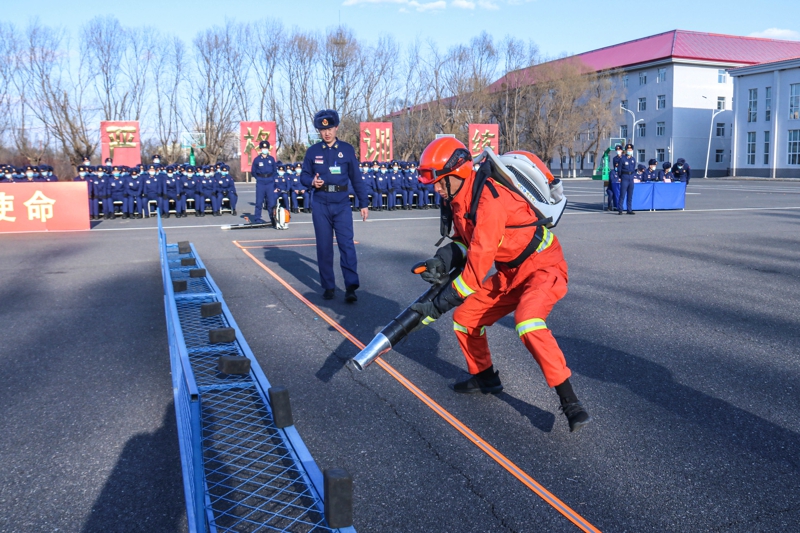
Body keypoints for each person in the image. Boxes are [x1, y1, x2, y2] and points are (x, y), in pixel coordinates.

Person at [409, 137, 591, 432]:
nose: (437, 189)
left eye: (441, 182)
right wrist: (441, 260)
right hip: (510, 272)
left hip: (542, 267)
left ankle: (570, 401)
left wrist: (434, 307)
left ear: (458, 173)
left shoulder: (488, 201)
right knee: (465, 318)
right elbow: (467, 241)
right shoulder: (459, 198)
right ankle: (485, 378)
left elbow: (474, 272)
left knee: (528, 322)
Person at [299, 109, 369, 302]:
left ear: (336, 127)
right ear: (318, 132)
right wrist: (312, 182)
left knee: (347, 245)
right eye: (322, 130)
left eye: (330, 128)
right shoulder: (312, 152)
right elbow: (303, 176)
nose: (327, 133)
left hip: (341, 203)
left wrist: (363, 203)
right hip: (321, 203)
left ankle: (351, 287)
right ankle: (328, 286)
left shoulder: (346, 150)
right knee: (324, 247)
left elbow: (356, 178)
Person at [251, 140, 277, 224]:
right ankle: (257, 218)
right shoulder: (257, 159)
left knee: (271, 202)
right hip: (261, 181)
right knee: (259, 201)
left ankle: (272, 218)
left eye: (266, 148)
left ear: (268, 149)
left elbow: (274, 170)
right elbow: (253, 171)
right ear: (260, 149)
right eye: (263, 148)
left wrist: (272, 179)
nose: (264, 149)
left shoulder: (271, 159)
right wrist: (258, 178)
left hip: (270, 181)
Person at [617, 143, 636, 215]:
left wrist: (633, 176)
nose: (630, 151)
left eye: (631, 150)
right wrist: (620, 177)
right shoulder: (622, 159)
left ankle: (629, 209)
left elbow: (634, 169)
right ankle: (620, 209)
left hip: (631, 178)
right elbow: (619, 170)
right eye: (628, 150)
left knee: (630, 195)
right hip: (624, 177)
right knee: (622, 194)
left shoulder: (633, 159)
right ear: (626, 150)